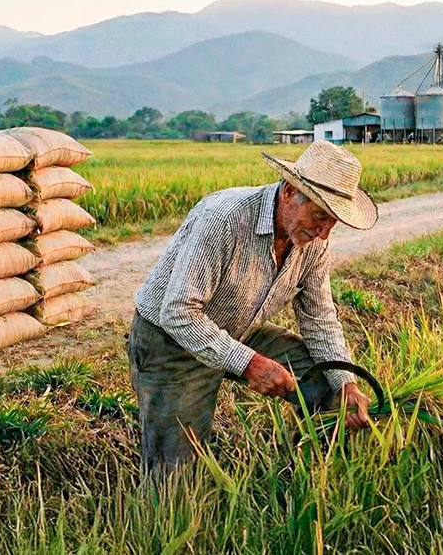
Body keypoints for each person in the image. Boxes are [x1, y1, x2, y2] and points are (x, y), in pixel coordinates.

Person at [129, 140, 378, 474]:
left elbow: (319, 318)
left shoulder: (313, 242)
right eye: (320, 215)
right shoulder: (226, 219)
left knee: (328, 386)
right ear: (290, 191)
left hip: (239, 327)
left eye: (333, 221)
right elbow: (179, 313)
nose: (323, 231)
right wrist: (249, 364)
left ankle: (308, 473)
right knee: (176, 472)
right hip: (172, 340)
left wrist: (346, 381)